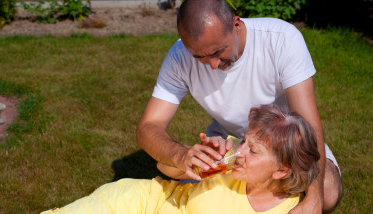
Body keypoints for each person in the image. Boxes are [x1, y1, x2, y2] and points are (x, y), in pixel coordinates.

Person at [136, 0, 342, 213]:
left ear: (236, 24)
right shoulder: (179, 57)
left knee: (326, 191)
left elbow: (308, 124)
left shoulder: (282, 39)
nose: (213, 65)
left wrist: (315, 196)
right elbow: (148, 127)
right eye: (200, 57)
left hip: (288, 144)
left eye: (218, 51)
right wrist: (181, 155)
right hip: (229, 147)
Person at [42, 105, 320, 214]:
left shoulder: (292, 211)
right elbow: (164, 170)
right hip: (148, 202)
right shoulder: (228, 162)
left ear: (281, 170)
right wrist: (192, 159)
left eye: (254, 150)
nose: (241, 151)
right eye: (245, 140)